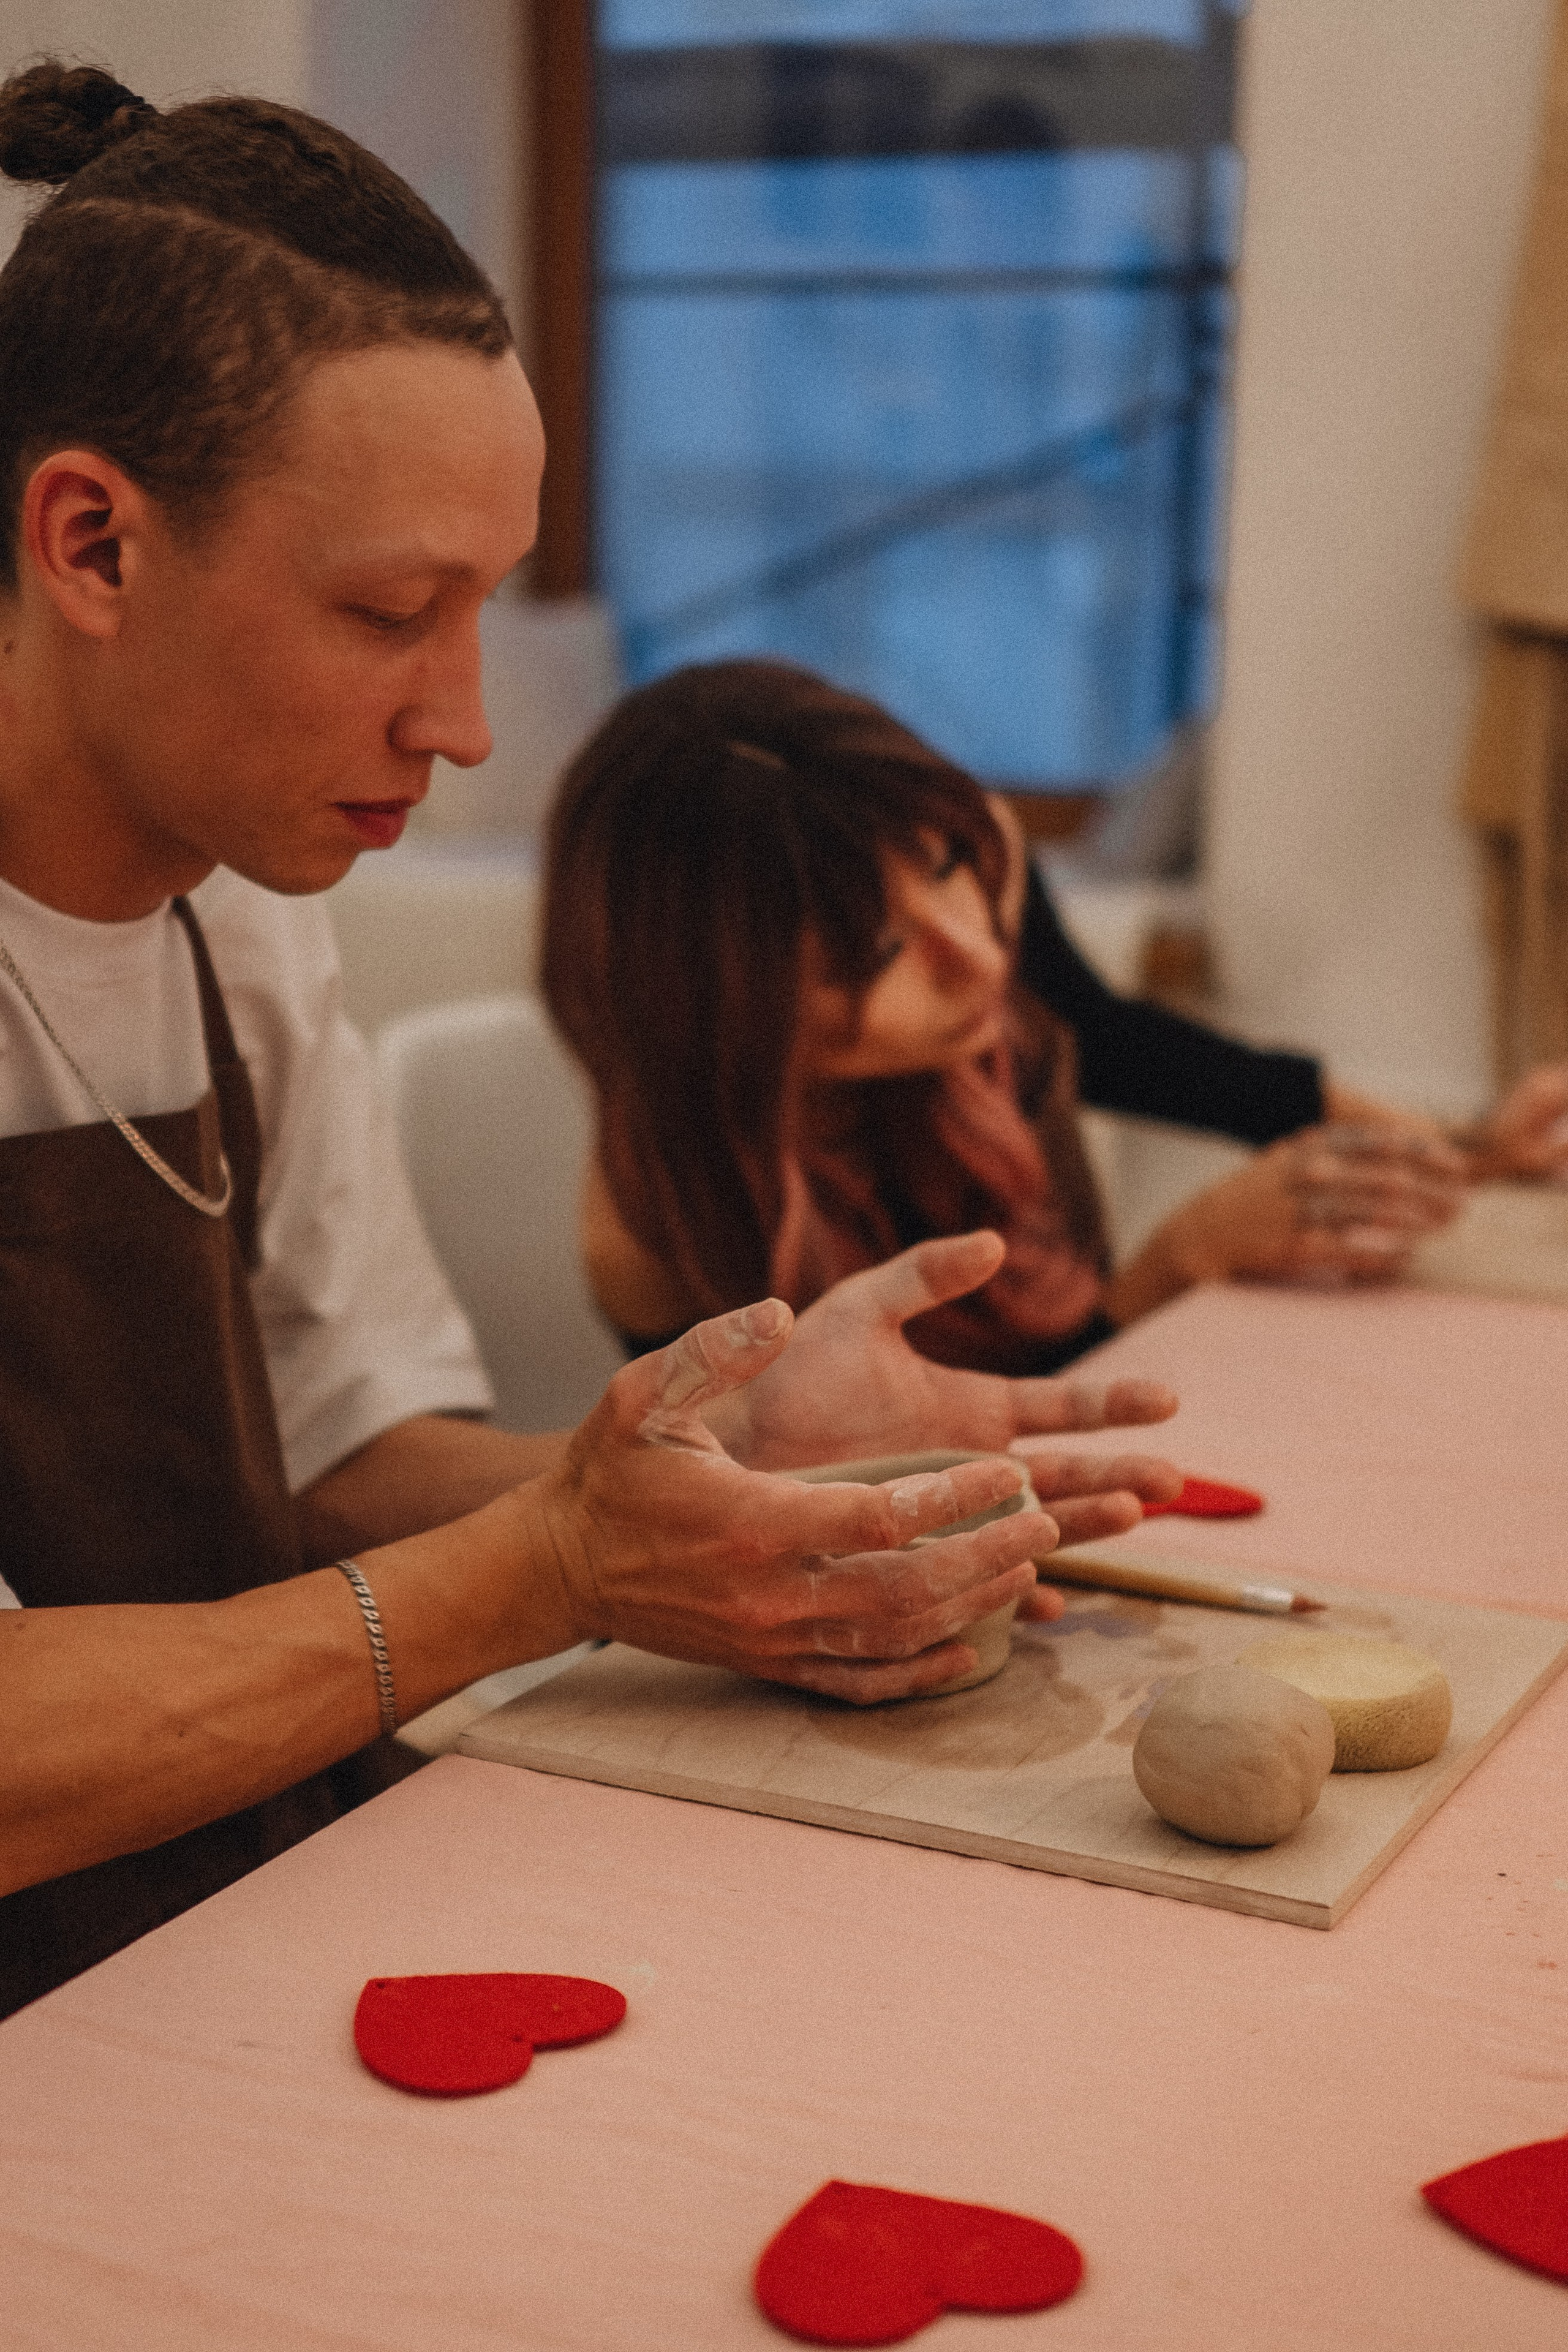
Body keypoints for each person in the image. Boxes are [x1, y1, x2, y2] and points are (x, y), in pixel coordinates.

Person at [0, 66, 1182, 2017]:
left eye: (487, 606)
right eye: (391, 610)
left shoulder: (245, 918)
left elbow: (337, 1455)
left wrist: (715, 1473)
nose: (465, 723)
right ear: (94, 544)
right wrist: (552, 1567)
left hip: (235, 1910)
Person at [541, 660, 1568, 1367]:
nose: (977, 952)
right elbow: (881, 1490)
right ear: (716, 1009)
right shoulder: (656, 1225)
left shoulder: (971, 861)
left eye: (950, 865)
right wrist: (1183, 1257)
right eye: (876, 954)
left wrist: (1468, 1148)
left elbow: (1120, 1043)